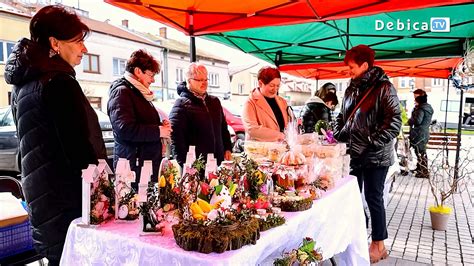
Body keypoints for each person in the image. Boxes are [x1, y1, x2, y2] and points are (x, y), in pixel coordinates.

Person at [4, 5, 105, 265]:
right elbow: (78, 152)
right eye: (78, 41)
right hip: (66, 203)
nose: (84, 49)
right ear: (55, 43)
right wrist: (103, 189)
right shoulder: (58, 82)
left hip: (42, 199)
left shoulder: (24, 83)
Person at [334, 45, 401, 263]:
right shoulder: (350, 88)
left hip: (376, 156)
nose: (349, 71)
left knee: (374, 198)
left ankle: (379, 244)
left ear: (364, 65)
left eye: (352, 67)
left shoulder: (384, 88)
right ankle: (360, 237)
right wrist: (337, 132)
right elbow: (342, 116)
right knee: (352, 197)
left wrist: (369, 141)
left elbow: (393, 124)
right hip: (353, 155)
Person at [108, 49, 171, 185]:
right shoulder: (122, 93)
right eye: (151, 75)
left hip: (143, 164)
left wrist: (160, 126)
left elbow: (141, 121)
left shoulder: (138, 93)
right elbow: (124, 129)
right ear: (137, 71)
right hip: (133, 167)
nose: (153, 80)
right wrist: (158, 131)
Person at [169, 63, 232, 166]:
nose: (204, 83)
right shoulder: (181, 104)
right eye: (199, 80)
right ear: (189, 81)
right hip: (196, 166)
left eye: (206, 79)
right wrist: (186, 165)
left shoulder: (215, 101)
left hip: (217, 162)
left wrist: (228, 148)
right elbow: (175, 138)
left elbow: (223, 128)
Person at [242, 66, 289, 141]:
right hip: (259, 150)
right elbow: (252, 129)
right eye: (272, 85)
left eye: (278, 86)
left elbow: (288, 124)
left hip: (281, 149)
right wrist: (279, 135)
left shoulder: (282, 101)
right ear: (260, 83)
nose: (275, 89)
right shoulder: (250, 102)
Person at [408, 89, 433, 178]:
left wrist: (410, 120)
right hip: (423, 133)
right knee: (419, 152)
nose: (414, 99)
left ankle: (423, 171)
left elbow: (418, 121)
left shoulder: (421, 108)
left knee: (421, 152)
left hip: (419, 134)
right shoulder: (427, 107)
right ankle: (420, 168)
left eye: (416, 97)